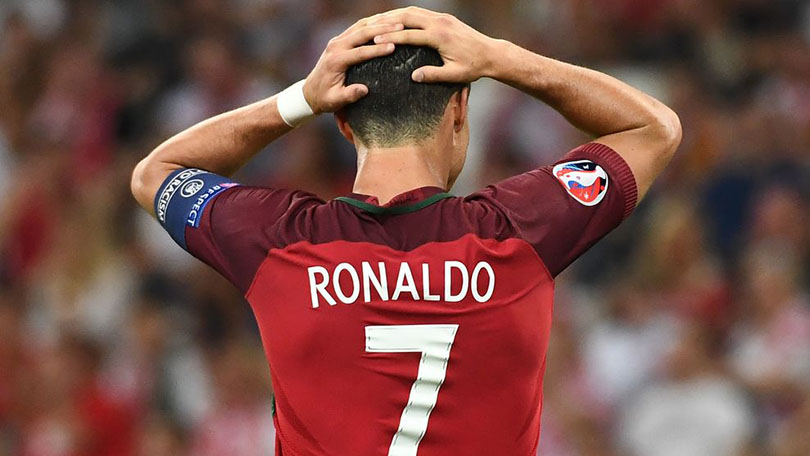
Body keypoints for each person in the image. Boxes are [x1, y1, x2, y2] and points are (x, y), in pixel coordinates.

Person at [131, 6, 681, 455]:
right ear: (460, 110)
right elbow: (654, 129)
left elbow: (155, 173)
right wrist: (501, 58)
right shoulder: (517, 232)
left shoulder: (280, 242)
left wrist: (298, 100)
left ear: (343, 124)